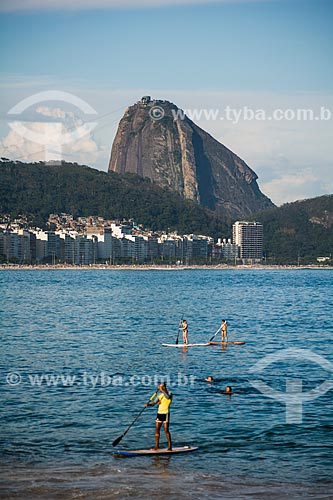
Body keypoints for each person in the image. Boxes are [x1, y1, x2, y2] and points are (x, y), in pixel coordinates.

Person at [145, 382, 173, 450]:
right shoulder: (159, 395)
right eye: (159, 387)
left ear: (164, 387)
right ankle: (157, 446)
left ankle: (170, 447)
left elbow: (168, 397)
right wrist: (148, 405)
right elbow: (154, 403)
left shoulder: (170, 393)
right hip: (159, 413)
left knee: (166, 430)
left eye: (161, 387)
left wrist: (162, 390)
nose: (159, 389)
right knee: (157, 429)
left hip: (165, 413)